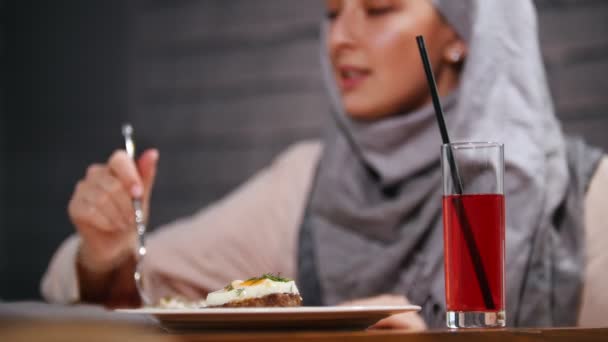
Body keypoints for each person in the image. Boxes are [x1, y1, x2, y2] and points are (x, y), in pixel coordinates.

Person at [41, 0, 604, 329]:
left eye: (378, 7)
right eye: (332, 12)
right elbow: (106, 288)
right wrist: (108, 256)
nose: (340, 37)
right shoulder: (305, 185)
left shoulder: (581, 199)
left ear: (463, 32)